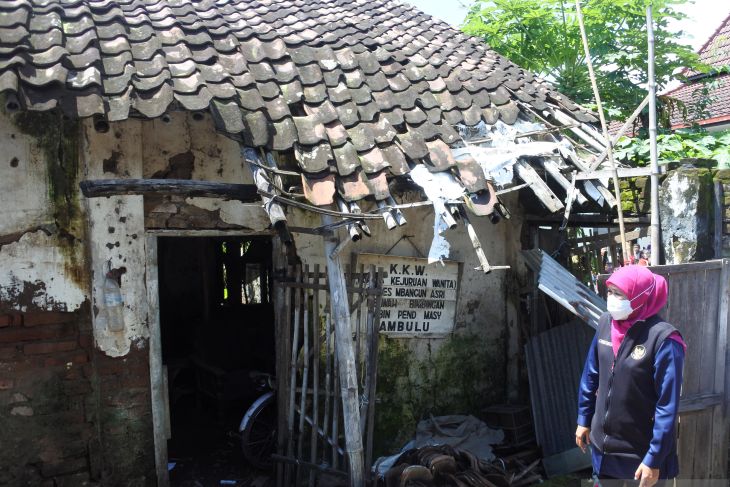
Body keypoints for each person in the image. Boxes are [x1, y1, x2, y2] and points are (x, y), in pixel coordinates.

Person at [575, 265, 686, 487]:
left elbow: (667, 406)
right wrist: (583, 419)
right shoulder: (606, 323)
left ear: (640, 297)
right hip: (604, 448)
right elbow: (591, 374)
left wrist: (653, 459)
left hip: (641, 456)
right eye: (610, 292)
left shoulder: (664, 340)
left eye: (620, 294)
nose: (612, 299)